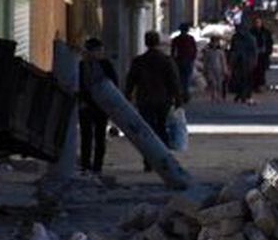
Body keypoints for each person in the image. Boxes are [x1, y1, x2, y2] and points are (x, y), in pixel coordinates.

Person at [125, 31, 183, 170]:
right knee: (162, 128)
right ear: (158, 43)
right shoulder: (166, 60)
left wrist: (127, 96)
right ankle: (163, 160)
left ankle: (148, 160)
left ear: (146, 42)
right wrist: (178, 99)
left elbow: (130, 81)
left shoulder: (139, 61)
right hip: (163, 100)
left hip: (144, 100)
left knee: (147, 130)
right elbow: (174, 81)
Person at [78, 37, 118, 174]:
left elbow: (114, 83)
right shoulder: (81, 66)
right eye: (98, 50)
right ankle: (85, 164)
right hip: (86, 105)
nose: (101, 53)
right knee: (86, 136)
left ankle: (97, 166)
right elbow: (78, 86)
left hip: (101, 106)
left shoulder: (105, 65)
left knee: (100, 136)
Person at [228, 22, 259, 104]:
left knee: (246, 79)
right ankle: (240, 94)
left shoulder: (250, 38)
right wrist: (231, 61)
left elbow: (254, 51)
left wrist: (254, 61)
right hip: (238, 62)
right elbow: (232, 49)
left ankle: (245, 95)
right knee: (238, 79)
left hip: (247, 62)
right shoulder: (235, 38)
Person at [170, 22, 197, 102]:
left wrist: (173, 59)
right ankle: (185, 94)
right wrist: (192, 58)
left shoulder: (176, 39)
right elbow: (194, 50)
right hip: (187, 60)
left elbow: (173, 51)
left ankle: (181, 94)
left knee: (180, 78)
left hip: (180, 60)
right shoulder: (190, 38)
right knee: (186, 78)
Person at [202, 36, 229, 103]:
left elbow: (223, 61)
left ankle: (219, 96)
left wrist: (225, 69)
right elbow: (206, 61)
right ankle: (213, 95)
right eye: (213, 42)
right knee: (213, 83)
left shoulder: (220, 52)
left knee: (219, 84)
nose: (214, 44)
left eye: (216, 42)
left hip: (219, 69)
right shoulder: (208, 52)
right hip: (210, 69)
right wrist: (205, 69)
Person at [252, 17, 274, 93]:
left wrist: (268, 51)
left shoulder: (266, 32)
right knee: (254, 71)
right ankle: (254, 86)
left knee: (261, 71)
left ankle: (260, 86)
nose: (257, 24)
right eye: (256, 22)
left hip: (263, 55)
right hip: (254, 55)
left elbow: (270, 43)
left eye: (259, 22)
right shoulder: (251, 32)